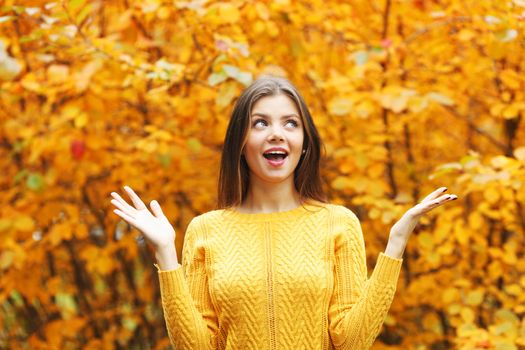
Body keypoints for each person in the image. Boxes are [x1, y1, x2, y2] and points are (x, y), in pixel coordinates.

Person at [109, 75, 458, 349]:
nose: (277, 134)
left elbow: (351, 342)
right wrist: (166, 255)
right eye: (260, 123)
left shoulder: (337, 223)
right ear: (240, 141)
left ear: (305, 142)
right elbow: (198, 346)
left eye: (290, 123)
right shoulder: (205, 231)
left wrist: (396, 243)